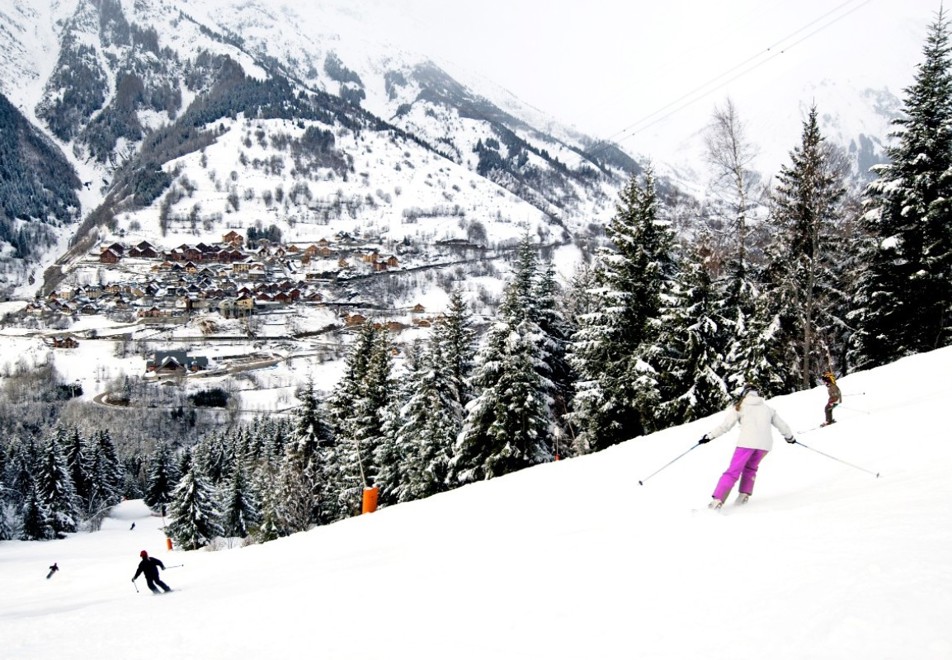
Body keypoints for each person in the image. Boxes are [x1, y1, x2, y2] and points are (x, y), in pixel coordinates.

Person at [699, 384, 795, 509]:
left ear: (744, 393)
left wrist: (709, 436)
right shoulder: (768, 409)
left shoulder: (740, 407)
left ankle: (717, 500)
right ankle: (743, 495)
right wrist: (789, 437)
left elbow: (725, 426)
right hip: (764, 446)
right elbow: (782, 425)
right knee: (750, 468)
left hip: (746, 444)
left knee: (733, 471)